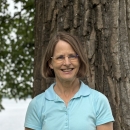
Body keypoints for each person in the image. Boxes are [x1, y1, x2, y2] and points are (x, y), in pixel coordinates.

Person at [24, 32, 114, 130]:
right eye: (60, 57)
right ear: (50, 63)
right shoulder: (37, 104)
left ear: (79, 60)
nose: (67, 63)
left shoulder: (98, 101)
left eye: (72, 56)